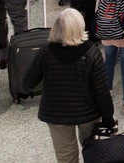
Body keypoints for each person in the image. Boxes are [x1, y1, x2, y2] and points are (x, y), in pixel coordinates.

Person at [30, 9, 117, 163]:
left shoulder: (45, 52)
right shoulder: (92, 52)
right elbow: (101, 91)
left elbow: (27, 83)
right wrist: (108, 117)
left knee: (66, 158)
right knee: (92, 151)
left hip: (56, 114)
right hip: (88, 112)